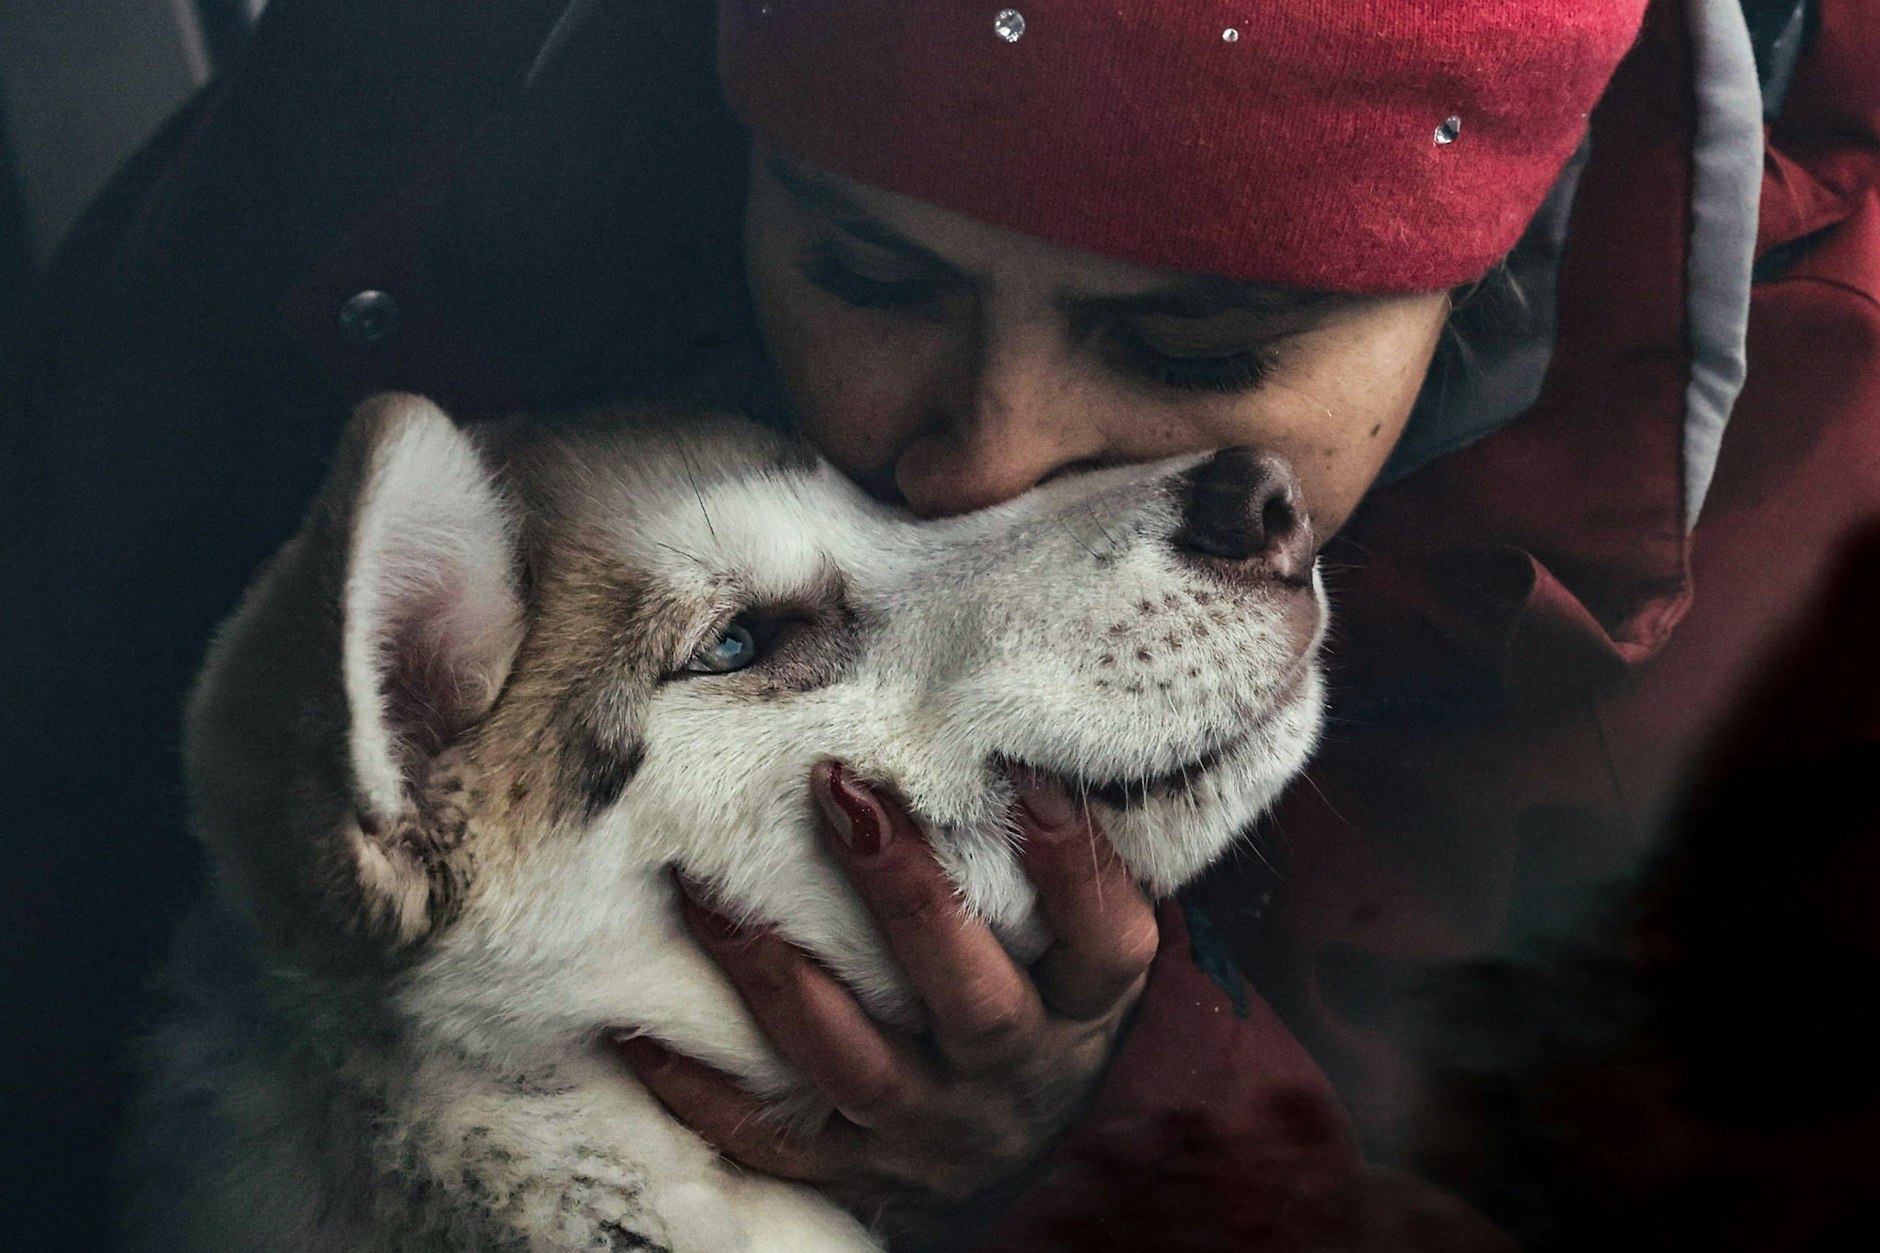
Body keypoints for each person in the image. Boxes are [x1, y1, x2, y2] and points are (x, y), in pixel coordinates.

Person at [1, 1, 1875, 1249]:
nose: (989, 467)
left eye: (1196, 346)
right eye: (867, 274)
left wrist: (1132, 1132)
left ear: (1492, 263)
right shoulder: (369, 201)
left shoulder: (1822, 552)